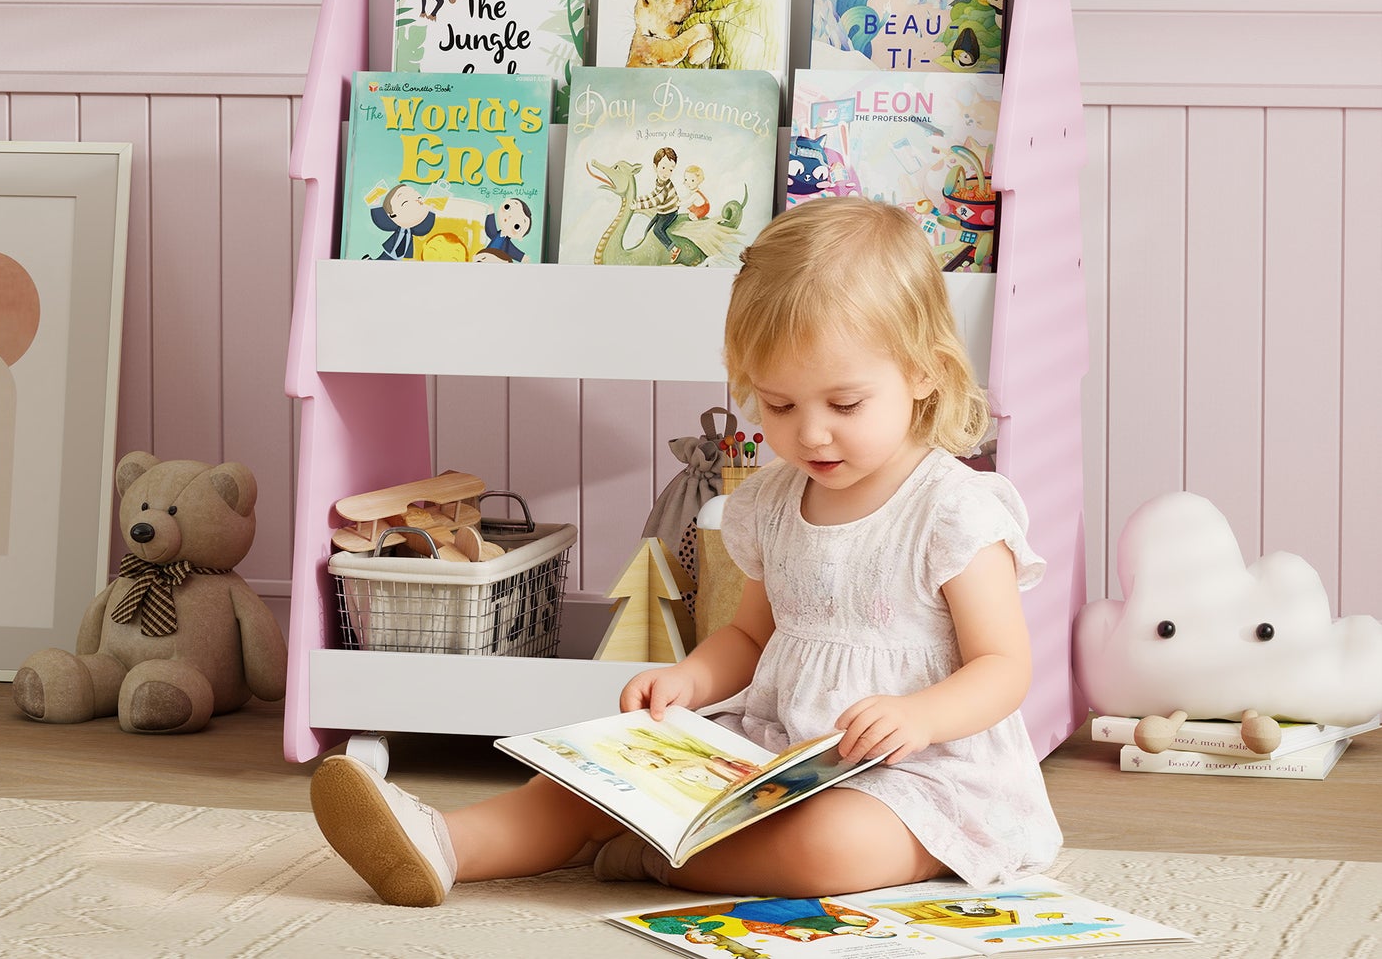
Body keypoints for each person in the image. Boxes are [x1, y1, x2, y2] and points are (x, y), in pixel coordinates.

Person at [309, 195, 1062, 906]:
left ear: (923, 370)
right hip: (773, 753)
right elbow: (750, 635)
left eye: (843, 403)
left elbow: (1002, 666)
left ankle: (645, 857)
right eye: (778, 404)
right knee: (601, 778)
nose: (810, 433)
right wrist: (690, 680)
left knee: (832, 847)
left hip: (918, 772)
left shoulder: (952, 509)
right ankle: (443, 842)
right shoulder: (772, 499)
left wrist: (919, 716)